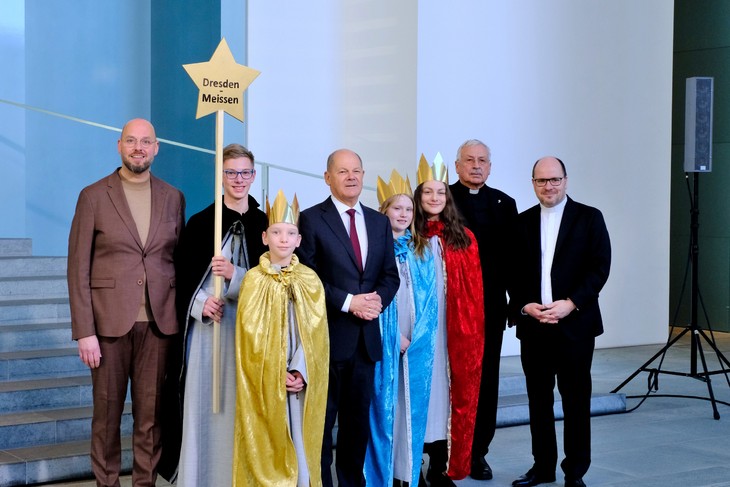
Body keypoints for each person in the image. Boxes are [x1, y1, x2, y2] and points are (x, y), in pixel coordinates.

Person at [67, 118, 185, 487]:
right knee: (107, 415)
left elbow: (175, 261)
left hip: (159, 324)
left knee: (150, 418)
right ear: (119, 146)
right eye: (131, 141)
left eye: (146, 142)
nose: (139, 148)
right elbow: (77, 268)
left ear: (156, 147)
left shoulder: (173, 197)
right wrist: (84, 331)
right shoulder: (93, 195)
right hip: (107, 327)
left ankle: (145, 483)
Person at [159, 144, 268, 485]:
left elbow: (276, 283)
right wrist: (201, 302)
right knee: (207, 410)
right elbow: (182, 275)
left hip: (251, 335)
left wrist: (237, 276)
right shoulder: (202, 222)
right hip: (210, 332)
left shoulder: (266, 224)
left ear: (254, 176)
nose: (239, 179)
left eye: (245, 172)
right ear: (220, 176)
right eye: (231, 172)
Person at [297, 148, 400, 487]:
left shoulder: (378, 221)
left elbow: (390, 276)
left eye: (356, 170)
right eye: (343, 171)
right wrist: (348, 302)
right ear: (328, 177)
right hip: (327, 340)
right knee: (323, 426)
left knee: (357, 428)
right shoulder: (311, 219)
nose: (351, 176)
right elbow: (307, 277)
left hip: (366, 343)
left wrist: (375, 303)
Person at [509, 157, 611, 487]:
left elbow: (600, 267)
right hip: (534, 327)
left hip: (575, 327)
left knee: (576, 400)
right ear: (533, 183)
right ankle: (543, 467)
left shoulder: (589, 218)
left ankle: (575, 471)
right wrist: (525, 305)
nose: (548, 186)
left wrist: (571, 304)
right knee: (538, 401)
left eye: (554, 180)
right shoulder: (521, 222)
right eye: (541, 181)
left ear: (566, 180)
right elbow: (513, 273)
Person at [232, 190, 329, 486]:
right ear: (264, 237)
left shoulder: (310, 280)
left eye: (290, 233)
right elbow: (248, 338)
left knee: (300, 450)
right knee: (267, 445)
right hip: (265, 380)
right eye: (276, 232)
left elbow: (317, 335)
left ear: (299, 240)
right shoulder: (252, 280)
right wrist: (275, 371)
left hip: (299, 381)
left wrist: (300, 370)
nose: (283, 239)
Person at [413, 153, 485, 486]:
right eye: (428, 192)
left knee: (447, 397)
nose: (434, 198)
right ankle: (411, 465)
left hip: (451, 333)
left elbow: (474, 296)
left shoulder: (463, 239)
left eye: (440, 193)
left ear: (447, 197)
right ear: (418, 196)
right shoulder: (406, 237)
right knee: (417, 396)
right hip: (416, 333)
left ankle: (440, 467)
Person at [449, 139, 518, 481]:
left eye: (483, 161)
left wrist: (516, 305)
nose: (476, 166)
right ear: (457, 165)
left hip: (489, 308)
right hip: (448, 308)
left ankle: (477, 452)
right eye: (469, 160)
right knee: (445, 380)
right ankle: (440, 451)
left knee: (486, 380)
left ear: (490, 167)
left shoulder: (506, 204)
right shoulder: (439, 198)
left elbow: (514, 260)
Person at [364, 171, 438, 487]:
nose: (404, 215)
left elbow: (431, 299)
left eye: (409, 210)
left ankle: (406, 472)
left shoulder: (420, 250)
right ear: (384, 212)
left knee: (411, 410)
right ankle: (381, 474)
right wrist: (394, 337)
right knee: (384, 409)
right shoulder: (373, 248)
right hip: (387, 340)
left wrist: (417, 338)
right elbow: (373, 299)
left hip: (416, 343)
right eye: (397, 209)